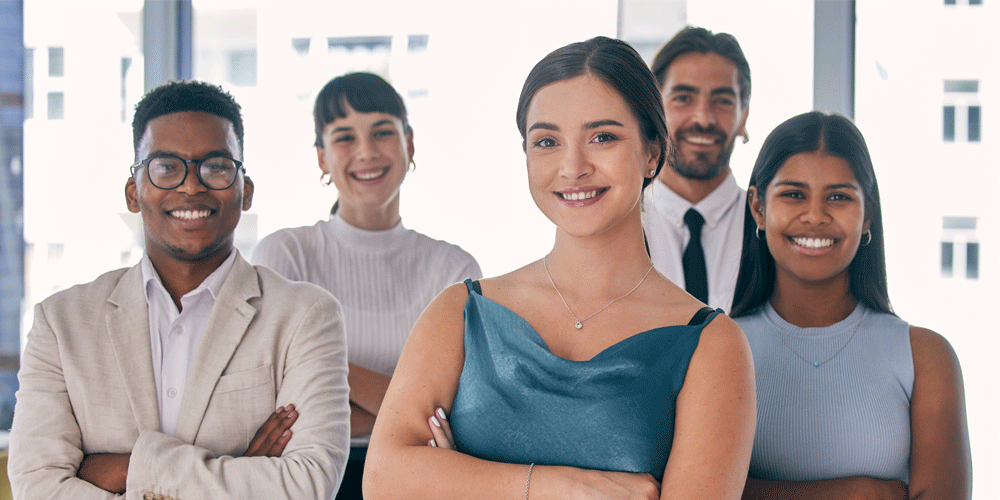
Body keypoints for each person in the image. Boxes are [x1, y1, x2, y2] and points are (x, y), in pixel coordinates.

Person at [363, 36, 755, 500]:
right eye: (547, 141)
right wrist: (562, 485)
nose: (572, 167)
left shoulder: (710, 344)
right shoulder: (462, 312)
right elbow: (385, 480)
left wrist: (459, 478)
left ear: (653, 152)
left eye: (603, 137)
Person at [8, 81, 350, 499]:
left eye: (216, 166)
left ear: (245, 192)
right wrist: (240, 472)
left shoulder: (305, 315)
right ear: (134, 192)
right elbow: (35, 486)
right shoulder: (60, 323)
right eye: (167, 167)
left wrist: (132, 469)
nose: (191, 186)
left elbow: (307, 485)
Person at [251, 71, 481, 499]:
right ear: (321, 158)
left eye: (382, 132)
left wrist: (319, 367)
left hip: (416, 480)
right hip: (303, 477)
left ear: (409, 143)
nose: (367, 152)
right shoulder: (286, 255)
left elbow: (464, 412)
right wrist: (412, 405)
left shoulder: (454, 269)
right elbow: (272, 406)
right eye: (343, 138)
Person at [732, 111, 972, 499]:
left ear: (867, 215)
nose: (815, 217)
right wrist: (859, 493)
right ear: (758, 207)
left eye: (839, 197)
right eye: (793, 194)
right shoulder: (713, 347)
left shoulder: (926, 358)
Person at [642, 26, 751, 311]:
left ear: (744, 117)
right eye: (683, 98)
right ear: (655, 109)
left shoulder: (771, 228)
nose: (703, 118)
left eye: (723, 101)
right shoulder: (618, 224)